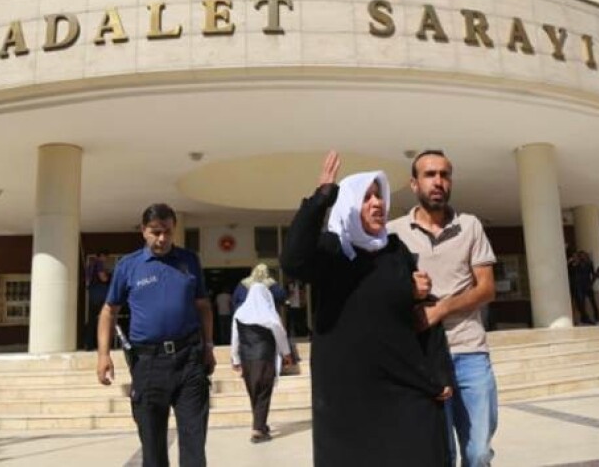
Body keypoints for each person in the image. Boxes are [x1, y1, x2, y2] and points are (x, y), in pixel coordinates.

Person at [281, 151, 453, 467]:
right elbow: (293, 260)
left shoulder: (395, 250)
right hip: (348, 398)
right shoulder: (332, 251)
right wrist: (321, 198)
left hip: (404, 386)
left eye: (379, 196)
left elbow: (423, 314)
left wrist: (440, 372)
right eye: (366, 197)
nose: (377, 204)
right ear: (349, 204)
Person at [388, 149, 498, 467]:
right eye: (430, 174)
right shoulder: (394, 232)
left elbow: (487, 288)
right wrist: (407, 290)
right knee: (441, 454)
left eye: (444, 175)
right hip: (424, 358)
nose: (438, 181)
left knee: (478, 452)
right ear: (414, 184)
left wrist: (442, 308)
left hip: (470, 351)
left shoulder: (470, 225)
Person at [96, 203, 215, 467]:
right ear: (143, 230)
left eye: (168, 232)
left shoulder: (189, 261)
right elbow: (108, 311)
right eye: (155, 232)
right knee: (153, 449)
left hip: (189, 360)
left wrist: (208, 346)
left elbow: (204, 306)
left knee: (194, 446)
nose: (162, 238)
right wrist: (104, 355)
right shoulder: (128, 266)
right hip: (148, 364)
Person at [230, 283, 293, 443]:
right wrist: (286, 353)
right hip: (264, 358)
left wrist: (235, 358)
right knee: (263, 393)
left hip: (247, 359)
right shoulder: (270, 315)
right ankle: (258, 430)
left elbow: (235, 338)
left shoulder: (240, 313)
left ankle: (260, 425)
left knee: (254, 392)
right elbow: (280, 335)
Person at [85, 250, 111, 350]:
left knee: (92, 320)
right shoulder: (99, 263)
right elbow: (103, 278)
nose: (106, 260)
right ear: (101, 256)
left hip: (93, 295)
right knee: (104, 318)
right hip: (100, 295)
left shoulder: (90, 266)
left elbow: (88, 281)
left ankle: (89, 344)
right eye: (106, 257)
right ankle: (102, 344)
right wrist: (108, 276)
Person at [568, 250, 599, 325]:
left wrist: (591, 282)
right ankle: (584, 318)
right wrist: (570, 263)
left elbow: (593, 274)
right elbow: (570, 273)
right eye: (580, 256)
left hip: (587, 285)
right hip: (579, 286)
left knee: (593, 302)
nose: (582, 257)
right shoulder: (574, 265)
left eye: (583, 255)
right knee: (581, 303)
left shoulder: (589, 263)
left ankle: (596, 317)